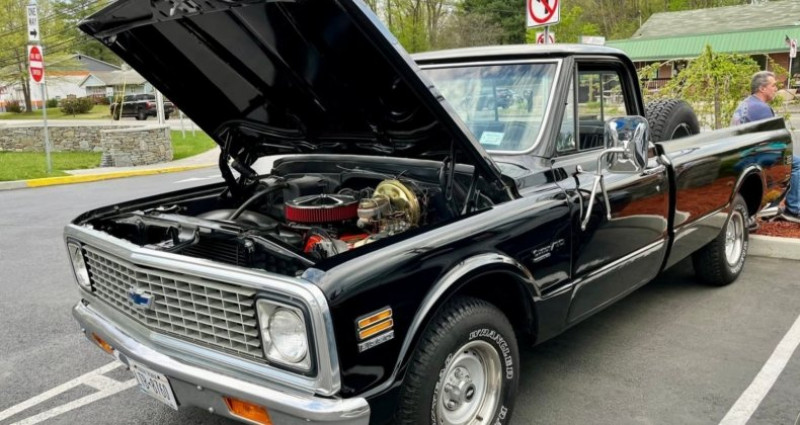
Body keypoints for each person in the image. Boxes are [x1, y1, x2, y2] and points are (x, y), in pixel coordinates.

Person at [731, 71, 800, 224]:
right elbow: (775, 139)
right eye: (773, 85)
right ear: (762, 88)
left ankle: (772, 207)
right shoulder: (760, 108)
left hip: (744, 154)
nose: (776, 88)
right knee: (795, 164)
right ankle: (793, 210)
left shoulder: (746, 103)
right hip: (754, 156)